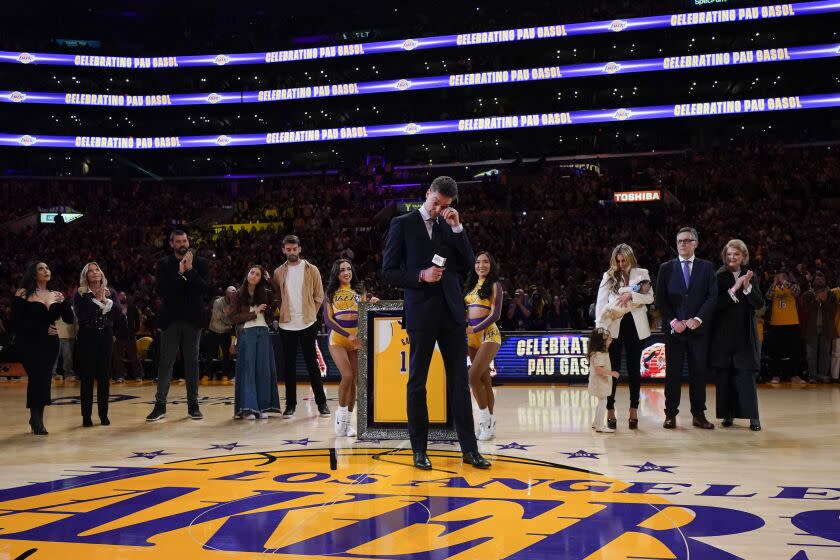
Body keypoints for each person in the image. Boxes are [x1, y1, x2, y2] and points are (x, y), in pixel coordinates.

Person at [382, 176, 491, 470]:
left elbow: (469, 264)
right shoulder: (402, 224)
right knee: (417, 382)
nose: (438, 209)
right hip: (421, 312)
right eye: (435, 203)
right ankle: (419, 449)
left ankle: (470, 449)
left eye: (444, 206)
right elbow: (389, 272)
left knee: (459, 381)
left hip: (453, 313)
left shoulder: (449, 226)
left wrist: (457, 228)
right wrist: (420, 276)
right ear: (427, 193)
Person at [655, 227, 717, 430]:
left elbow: (712, 296)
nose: (683, 243)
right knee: (672, 374)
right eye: (680, 240)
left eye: (687, 240)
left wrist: (698, 318)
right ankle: (670, 414)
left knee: (698, 374)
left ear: (696, 243)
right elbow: (661, 299)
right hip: (675, 331)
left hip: (698, 331)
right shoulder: (666, 268)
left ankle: (699, 415)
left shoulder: (707, 267)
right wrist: (674, 321)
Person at [146, 230, 210, 422]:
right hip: (171, 319)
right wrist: (180, 273)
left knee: (192, 362)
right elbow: (162, 291)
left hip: (193, 320)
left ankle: (193, 405)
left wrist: (190, 271)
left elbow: (204, 289)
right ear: (171, 244)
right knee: (166, 362)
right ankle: (160, 406)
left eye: (185, 240)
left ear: (188, 242)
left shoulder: (201, 263)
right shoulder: (164, 264)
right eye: (178, 241)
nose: (182, 244)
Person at [594, 244, 654, 430]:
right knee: (613, 369)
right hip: (614, 328)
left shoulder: (642, 273)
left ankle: (633, 410)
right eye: (618, 261)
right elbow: (601, 303)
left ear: (630, 258)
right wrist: (600, 329)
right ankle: (610, 409)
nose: (621, 264)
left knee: (634, 369)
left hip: (636, 328)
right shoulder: (609, 276)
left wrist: (631, 295)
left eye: (624, 260)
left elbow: (650, 298)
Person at [11, 262, 74, 435]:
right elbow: (16, 322)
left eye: (47, 268)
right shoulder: (22, 293)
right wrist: (41, 328)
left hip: (50, 344)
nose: (46, 271)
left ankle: (36, 417)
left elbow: (68, 319)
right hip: (29, 342)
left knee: (44, 379)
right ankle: (36, 419)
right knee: (37, 377)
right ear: (33, 274)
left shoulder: (55, 294)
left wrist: (65, 301)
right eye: (41, 268)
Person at [272, 234, 329, 418]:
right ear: (283, 250)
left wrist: (311, 312)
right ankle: (290, 405)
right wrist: (284, 311)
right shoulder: (278, 272)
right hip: (286, 325)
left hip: (307, 323)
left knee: (313, 365)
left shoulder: (312, 270)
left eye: (294, 249)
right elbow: (277, 297)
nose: (291, 252)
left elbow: (319, 295)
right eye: (288, 250)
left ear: (299, 249)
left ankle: (322, 404)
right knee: (289, 367)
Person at [710, 240, 763, 431]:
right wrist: (734, 289)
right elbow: (714, 305)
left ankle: (753, 418)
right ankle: (728, 414)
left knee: (746, 376)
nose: (732, 257)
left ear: (743, 256)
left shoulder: (750, 276)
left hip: (744, 333)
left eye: (736, 254)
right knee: (725, 375)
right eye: (729, 254)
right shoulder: (718, 276)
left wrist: (747, 287)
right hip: (723, 334)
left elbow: (758, 304)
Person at [323, 258, 379, 437]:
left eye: (348, 269)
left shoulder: (359, 291)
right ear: (336, 274)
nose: (346, 272)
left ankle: (347, 424)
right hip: (338, 340)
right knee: (347, 375)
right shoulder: (330, 293)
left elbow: (365, 313)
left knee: (354, 381)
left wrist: (372, 303)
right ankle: (340, 415)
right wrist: (348, 335)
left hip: (356, 342)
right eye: (341, 270)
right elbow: (328, 320)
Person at [227, 266, 281, 419]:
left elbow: (278, 297)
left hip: (263, 332)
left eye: (258, 274)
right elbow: (233, 318)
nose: (254, 276)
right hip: (246, 333)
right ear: (247, 274)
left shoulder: (265, 293)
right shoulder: (237, 294)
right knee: (248, 369)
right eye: (252, 272)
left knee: (263, 370)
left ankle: (262, 408)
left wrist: (270, 281)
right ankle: (247, 409)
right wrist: (253, 313)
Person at [73, 262, 123, 427]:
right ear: (85, 276)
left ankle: (103, 415)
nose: (94, 273)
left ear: (101, 274)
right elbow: (82, 314)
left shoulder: (111, 292)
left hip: (105, 335)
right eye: (90, 271)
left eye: (97, 270)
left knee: (104, 377)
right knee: (87, 377)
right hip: (87, 335)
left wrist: (106, 300)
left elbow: (117, 315)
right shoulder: (80, 293)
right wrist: (97, 300)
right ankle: (86, 416)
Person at [463, 251, 503, 441]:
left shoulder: (495, 285)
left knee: (472, 376)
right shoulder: (470, 287)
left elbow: (495, 315)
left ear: (491, 265)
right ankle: (492, 422)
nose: (481, 265)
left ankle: (484, 421)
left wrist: (475, 328)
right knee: (485, 381)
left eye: (486, 262)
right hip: (472, 339)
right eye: (478, 262)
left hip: (489, 334)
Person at [765, 270, 804, 384]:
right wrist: (774, 283)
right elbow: (768, 296)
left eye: (782, 276)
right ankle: (775, 376)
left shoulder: (792, 286)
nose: (780, 278)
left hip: (792, 322)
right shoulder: (774, 288)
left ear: (787, 277)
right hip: (776, 323)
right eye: (778, 276)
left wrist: (785, 282)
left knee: (794, 351)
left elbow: (797, 292)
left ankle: (794, 375)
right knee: (776, 351)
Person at [799, 271, 837, 383]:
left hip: (826, 328)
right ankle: (812, 375)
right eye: (817, 278)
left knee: (825, 353)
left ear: (825, 281)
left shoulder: (831, 295)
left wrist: (824, 301)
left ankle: (823, 374)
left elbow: (833, 310)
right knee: (811, 353)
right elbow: (805, 310)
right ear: (813, 281)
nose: (819, 279)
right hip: (811, 328)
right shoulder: (807, 295)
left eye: (822, 277)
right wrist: (817, 299)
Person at [587, 328, 620, 433]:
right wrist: (612, 373)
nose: (611, 341)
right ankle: (600, 426)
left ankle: (596, 422)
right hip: (600, 383)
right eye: (609, 340)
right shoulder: (599, 354)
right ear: (602, 342)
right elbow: (598, 369)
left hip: (598, 383)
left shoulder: (595, 353)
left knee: (601, 402)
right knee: (603, 402)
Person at [205, 286, 236, 381]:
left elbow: (233, 320)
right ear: (226, 293)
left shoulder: (234, 305)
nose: (233, 295)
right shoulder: (218, 302)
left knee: (226, 355)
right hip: (214, 330)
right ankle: (207, 374)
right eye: (231, 292)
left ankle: (225, 374)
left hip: (226, 332)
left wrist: (225, 317)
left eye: (234, 293)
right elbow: (215, 316)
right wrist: (225, 314)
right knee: (209, 354)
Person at [111, 291, 143, 382]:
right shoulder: (115, 308)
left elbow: (137, 320)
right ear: (117, 297)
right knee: (118, 357)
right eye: (120, 295)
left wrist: (134, 330)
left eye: (124, 295)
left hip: (130, 335)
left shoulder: (132, 307)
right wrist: (114, 334)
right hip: (118, 336)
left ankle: (139, 375)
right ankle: (120, 376)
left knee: (134, 356)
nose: (123, 297)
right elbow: (112, 322)